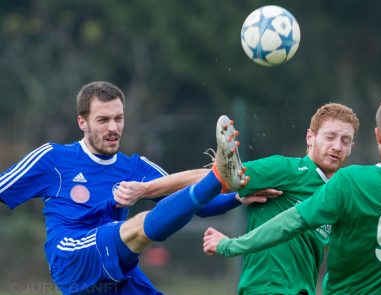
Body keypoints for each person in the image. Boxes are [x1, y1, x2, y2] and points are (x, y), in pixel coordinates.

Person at [0, 81, 276, 295]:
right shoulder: (53, 159)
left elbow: (199, 208)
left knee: (137, 229)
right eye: (103, 120)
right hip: (71, 257)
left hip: (118, 269)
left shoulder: (135, 167)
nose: (113, 127)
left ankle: (220, 175)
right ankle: (218, 174)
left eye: (118, 118)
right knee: (138, 224)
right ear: (81, 122)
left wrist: (239, 198)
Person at [203, 93, 381, 295]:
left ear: (378, 136)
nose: (337, 146)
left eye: (344, 140)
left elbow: (290, 222)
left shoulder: (352, 182)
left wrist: (230, 245)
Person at [217, 102, 359, 295]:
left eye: (345, 140)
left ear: (351, 147)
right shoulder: (286, 169)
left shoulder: (336, 196)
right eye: (330, 137)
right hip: (267, 289)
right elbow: (217, 176)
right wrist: (162, 186)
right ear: (310, 137)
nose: (337, 146)